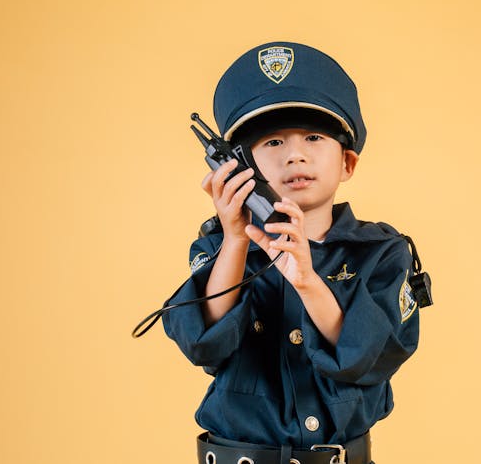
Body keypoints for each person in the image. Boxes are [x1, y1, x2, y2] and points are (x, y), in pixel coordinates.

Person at [162, 41, 421, 464]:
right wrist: (235, 239)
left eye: (314, 137)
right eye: (273, 142)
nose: (295, 154)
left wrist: (306, 279)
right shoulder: (221, 248)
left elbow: (372, 357)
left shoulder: (382, 253)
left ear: (348, 164)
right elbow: (200, 344)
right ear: (239, 167)